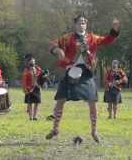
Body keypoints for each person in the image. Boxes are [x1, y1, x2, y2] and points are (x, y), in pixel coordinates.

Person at [46, 14, 120, 143]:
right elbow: (53, 43)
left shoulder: (92, 38)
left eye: (84, 22)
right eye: (80, 22)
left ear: (86, 24)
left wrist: (114, 30)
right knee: (60, 100)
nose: (82, 24)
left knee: (92, 101)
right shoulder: (67, 37)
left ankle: (94, 131)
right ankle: (55, 129)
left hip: (86, 73)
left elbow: (107, 40)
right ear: (75, 25)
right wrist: (57, 50)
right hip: (71, 70)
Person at [22, 53, 43, 121]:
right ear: (28, 62)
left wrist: (44, 75)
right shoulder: (26, 70)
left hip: (36, 87)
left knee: (37, 102)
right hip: (29, 88)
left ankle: (35, 116)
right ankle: (30, 117)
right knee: (30, 103)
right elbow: (24, 80)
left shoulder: (37, 68)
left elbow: (40, 75)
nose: (33, 62)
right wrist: (24, 88)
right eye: (31, 61)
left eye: (33, 61)